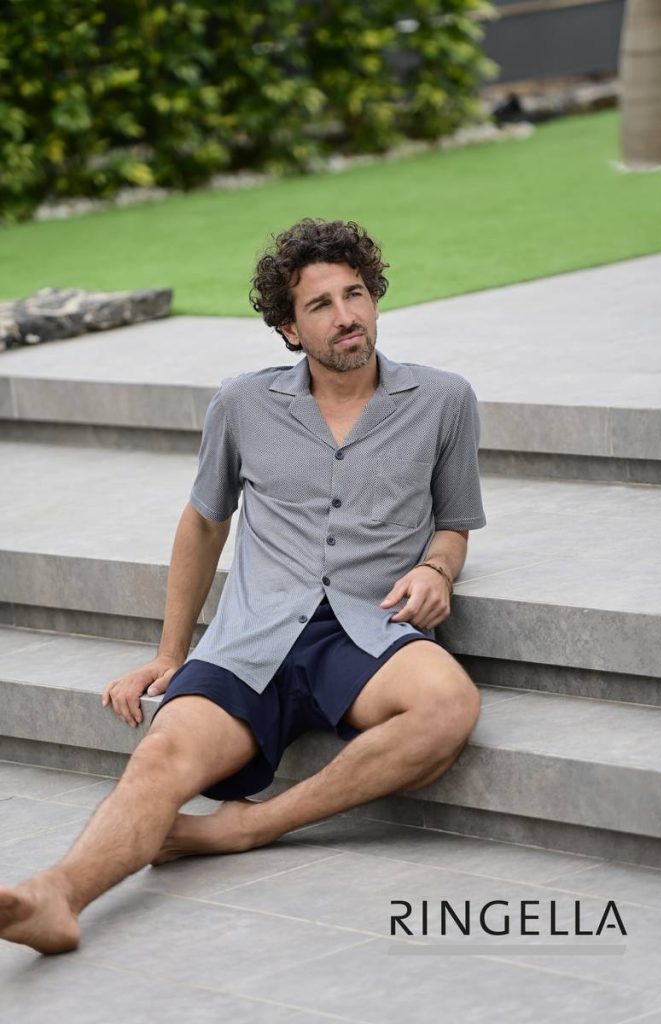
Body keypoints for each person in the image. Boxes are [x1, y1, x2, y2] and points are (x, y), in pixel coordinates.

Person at [0, 217, 486, 955]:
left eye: (355, 294)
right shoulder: (242, 404)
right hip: (253, 634)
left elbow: (454, 524)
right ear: (289, 329)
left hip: (367, 628)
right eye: (319, 304)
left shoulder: (443, 399)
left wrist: (435, 568)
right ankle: (58, 895)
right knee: (161, 756)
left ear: (374, 298)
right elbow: (203, 523)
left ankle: (246, 827)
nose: (346, 315)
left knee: (447, 707)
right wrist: (172, 653)